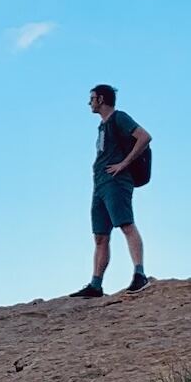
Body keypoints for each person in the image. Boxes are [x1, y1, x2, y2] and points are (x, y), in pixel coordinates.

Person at [73, 83, 150, 297]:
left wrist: (124, 164)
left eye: (92, 98)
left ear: (101, 99)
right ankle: (96, 284)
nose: (89, 103)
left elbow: (144, 137)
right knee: (100, 236)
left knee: (126, 224)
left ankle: (140, 274)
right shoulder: (102, 126)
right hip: (100, 184)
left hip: (116, 181)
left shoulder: (119, 118)